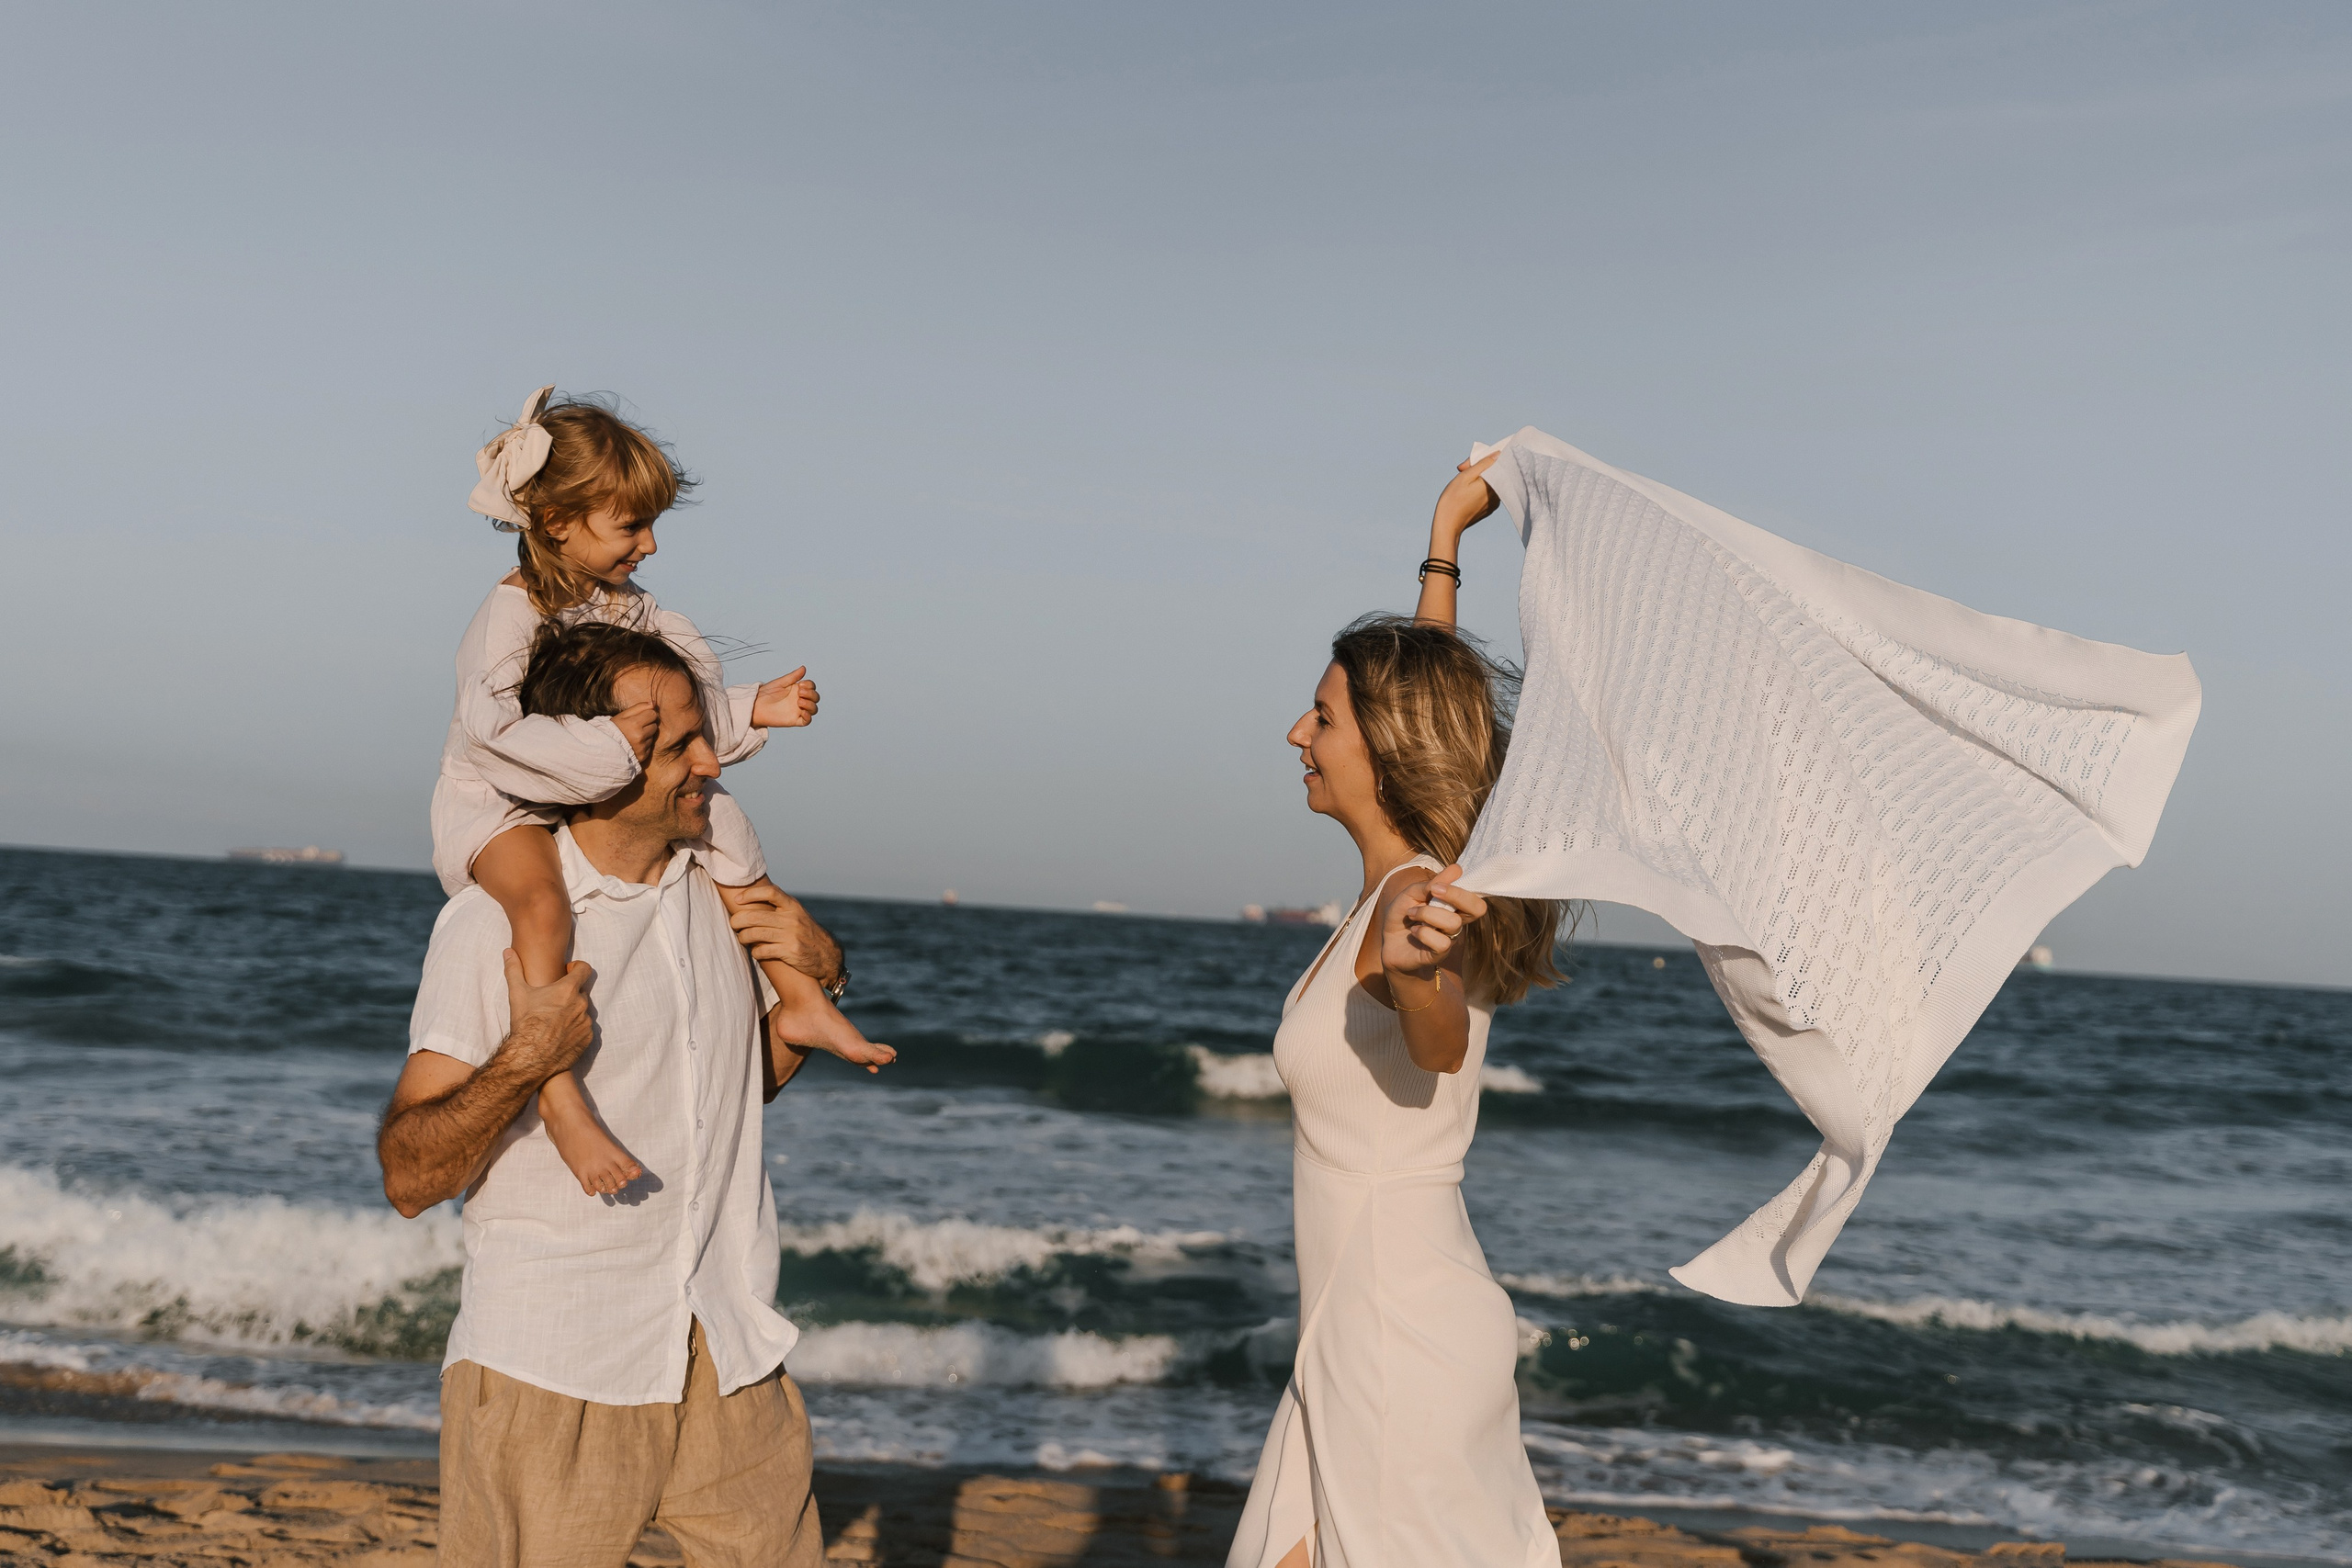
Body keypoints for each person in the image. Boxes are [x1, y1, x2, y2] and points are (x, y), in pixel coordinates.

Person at [381, 619, 849, 1567]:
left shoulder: (720, 900)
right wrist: (523, 1062)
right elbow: (409, 1175)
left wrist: (821, 984)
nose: (711, 760)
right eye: (678, 743)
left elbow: (727, 1098)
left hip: (726, 1345)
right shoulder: (491, 926)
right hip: (555, 1359)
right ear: (592, 761)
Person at [1227, 455, 1562, 1568]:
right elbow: (1423, 684)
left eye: (1320, 717)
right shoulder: (1408, 876)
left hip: (1391, 1339)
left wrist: (1424, 977)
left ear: (1378, 747)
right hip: (1372, 1320)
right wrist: (1443, 545)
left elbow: (1439, 1035)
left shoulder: (1416, 903)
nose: (1296, 735)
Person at [438, 385, 890, 1198]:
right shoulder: (507, 616)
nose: (648, 544)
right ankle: (561, 1092)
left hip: (592, 780)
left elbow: (674, 710)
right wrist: (608, 746)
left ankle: (797, 1000)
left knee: (726, 825)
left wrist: (753, 705)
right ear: (556, 523)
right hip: (500, 798)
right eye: (630, 525)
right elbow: (491, 734)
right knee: (542, 906)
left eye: (653, 524)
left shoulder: (628, 608)